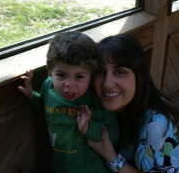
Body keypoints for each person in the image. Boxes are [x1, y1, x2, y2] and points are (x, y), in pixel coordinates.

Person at [88, 34, 179, 173]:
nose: (107, 83)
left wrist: (111, 157)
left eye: (119, 72)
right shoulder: (116, 105)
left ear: (139, 76)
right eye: (101, 71)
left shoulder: (158, 126)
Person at [18, 31, 120, 173]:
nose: (69, 85)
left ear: (91, 76)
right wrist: (31, 95)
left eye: (79, 76)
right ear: (50, 71)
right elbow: (45, 105)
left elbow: (114, 135)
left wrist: (88, 128)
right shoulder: (49, 86)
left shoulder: (95, 98)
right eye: (61, 75)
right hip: (60, 166)